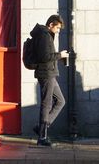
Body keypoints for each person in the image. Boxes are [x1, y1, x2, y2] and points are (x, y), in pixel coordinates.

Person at [30, 15, 69, 146]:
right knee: (46, 104)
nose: (58, 31)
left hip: (50, 73)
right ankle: (42, 138)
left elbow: (46, 55)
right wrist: (60, 55)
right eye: (57, 28)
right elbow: (45, 57)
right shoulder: (44, 35)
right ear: (51, 24)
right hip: (46, 74)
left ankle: (41, 128)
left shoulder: (47, 35)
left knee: (61, 101)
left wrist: (58, 55)